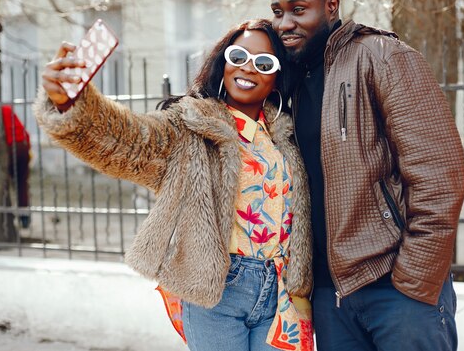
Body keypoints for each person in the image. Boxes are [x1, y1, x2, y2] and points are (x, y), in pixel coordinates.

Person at [34, 19, 314, 351]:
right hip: (216, 291)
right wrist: (69, 104)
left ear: (276, 77)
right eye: (238, 56)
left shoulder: (287, 136)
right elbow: (130, 141)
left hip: (279, 295)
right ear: (223, 62)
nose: (248, 68)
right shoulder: (190, 126)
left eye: (264, 63)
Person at [270, 0, 464, 351]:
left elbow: (440, 176)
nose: (284, 23)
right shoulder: (288, 79)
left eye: (298, 10)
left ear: (331, 5)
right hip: (329, 296)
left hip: (396, 287)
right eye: (277, 12)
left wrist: (415, 280)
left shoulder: (381, 56)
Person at [1, 104, 31, 228]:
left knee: (5, 182)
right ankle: (24, 217)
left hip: (10, 148)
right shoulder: (6, 108)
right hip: (23, 146)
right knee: (21, 184)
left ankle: (7, 213)